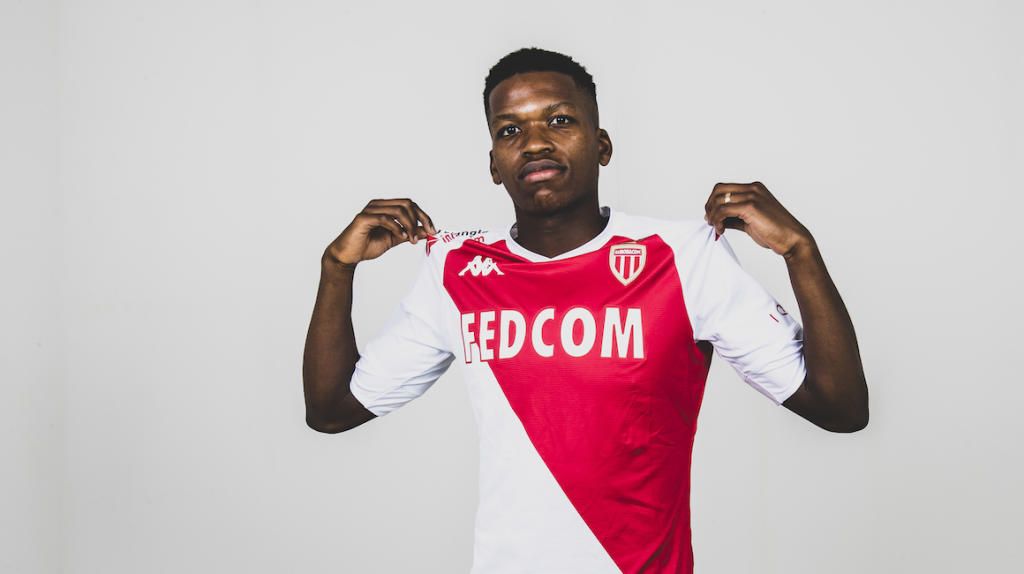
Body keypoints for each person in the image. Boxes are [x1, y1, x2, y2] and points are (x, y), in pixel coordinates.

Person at [303, 47, 868, 574]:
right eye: (510, 130)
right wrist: (336, 268)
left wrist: (801, 252)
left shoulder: (684, 256)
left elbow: (840, 408)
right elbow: (332, 411)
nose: (534, 142)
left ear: (602, 146)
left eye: (559, 120)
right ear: (494, 164)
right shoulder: (455, 269)